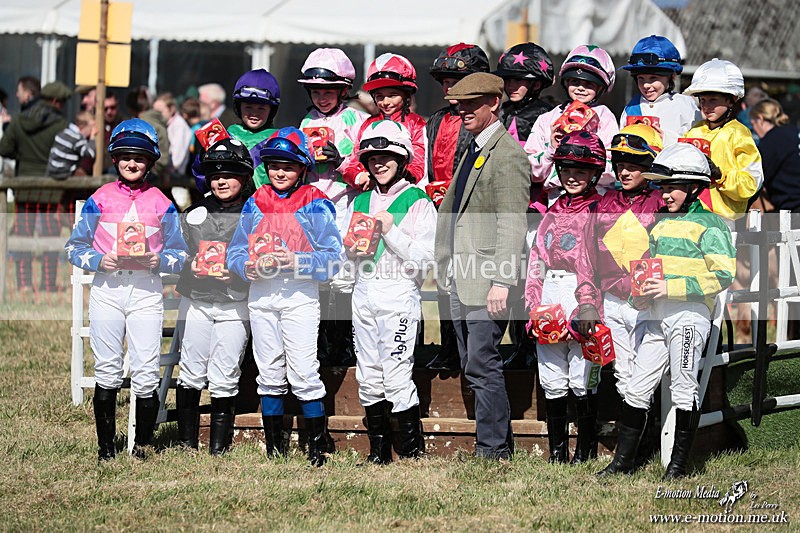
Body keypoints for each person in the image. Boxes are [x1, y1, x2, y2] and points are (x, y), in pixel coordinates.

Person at [597, 143, 736, 479]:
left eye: (671, 187)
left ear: (693, 188)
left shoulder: (712, 224)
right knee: (636, 388)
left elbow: (722, 274)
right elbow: (650, 274)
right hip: (657, 317)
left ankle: (677, 468)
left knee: (683, 388)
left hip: (690, 317)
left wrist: (670, 288)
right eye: (662, 187)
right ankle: (623, 462)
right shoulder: (658, 225)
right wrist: (639, 298)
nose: (665, 194)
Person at [64, 118, 188, 461]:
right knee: (107, 368)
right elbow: (74, 247)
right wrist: (99, 260)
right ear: (115, 159)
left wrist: (158, 261)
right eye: (125, 157)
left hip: (146, 290)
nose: (132, 163)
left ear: (150, 162)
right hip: (108, 288)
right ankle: (106, 449)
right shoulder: (99, 198)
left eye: (140, 158)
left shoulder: (162, 202)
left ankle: (143, 446)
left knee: (146, 370)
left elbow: (180, 255)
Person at [227, 127, 342, 466]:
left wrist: (297, 261)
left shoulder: (315, 202)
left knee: (304, 370)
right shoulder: (255, 200)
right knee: (269, 371)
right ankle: (276, 447)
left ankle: (317, 445)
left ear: (303, 168)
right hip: (261, 296)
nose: (280, 171)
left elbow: (334, 259)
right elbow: (235, 249)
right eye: (275, 164)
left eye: (288, 166)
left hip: (299, 296)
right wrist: (243, 267)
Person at [434, 72, 530, 460]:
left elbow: (512, 223)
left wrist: (501, 282)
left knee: (481, 363)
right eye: (459, 103)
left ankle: (493, 449)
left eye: (472, 103)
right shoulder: (476, 147)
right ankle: (492, 444)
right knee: (474, 362)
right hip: (463, 275)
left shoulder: (507, 155)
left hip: (485, 280)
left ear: (495, 102)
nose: (462, 110)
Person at [344, 120, 436, 463]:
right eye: (372, 157)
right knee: (368, 374)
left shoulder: (418, 201)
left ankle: (411, 453)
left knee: (397, 374)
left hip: (398, 295)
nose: (379, 163)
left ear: (402, 159)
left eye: (386, 156)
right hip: (363, 293)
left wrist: (390, 231)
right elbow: (347, 256)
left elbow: (425, 259)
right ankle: (378, 453)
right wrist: (349, 256)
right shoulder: (361, 200)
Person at [573, 124, 665, 464]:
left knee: (645, 378)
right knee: (625, 378)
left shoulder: (662, 202)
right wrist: (586, 303)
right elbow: (586, 259)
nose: (625, 170)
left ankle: (650, 445)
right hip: (612, 302)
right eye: (621, 162)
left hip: (650, 304)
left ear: (651, 164)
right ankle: (635, 455)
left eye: (634, 163)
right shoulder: (602, 204)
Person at [524, 131, 605, 464]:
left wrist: (589, 304)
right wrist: (532, 304)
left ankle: (585, 451)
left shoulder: (600, 210)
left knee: (583, 376)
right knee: (552, 374)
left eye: (582, 171)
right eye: (567, 169)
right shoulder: (552, 210)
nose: (573, 177)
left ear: (595, 175)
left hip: (583, 294)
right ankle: (558, 452)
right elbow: (536, 259)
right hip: (551, 292)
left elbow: (594, 262)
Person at [175, 138, 254, 455]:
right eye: (215, 174)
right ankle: (185, 443)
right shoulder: (193, 214)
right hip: (198, 302)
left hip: (235, 303)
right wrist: (189, 265)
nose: (222, 180)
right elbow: (174, 256)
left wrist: (239, 271)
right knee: (190, 369)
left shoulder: (255, 212)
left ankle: (219, 447)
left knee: (225, 373)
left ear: (246, 177)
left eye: (231, 173)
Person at [297, 48, 369, 367]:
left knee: (344, 277)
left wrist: (339, 160)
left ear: (343, 89)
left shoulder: (355, 118)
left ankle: (345, 343)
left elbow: (366, 163)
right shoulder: (306, 119)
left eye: (328, 91)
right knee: (318, 275)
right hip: (314, 204)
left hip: (345, 201)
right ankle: (320, 343)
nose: (322, 97)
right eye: (316, 91)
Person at [424, 42, 491, 372]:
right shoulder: (435, 119)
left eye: (457, 79)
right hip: (439, 211)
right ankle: (449, 346)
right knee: (443, 280)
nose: (449, 86)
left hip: (474, 213)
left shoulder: (485, 119)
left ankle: (486, 348)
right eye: (445, 80)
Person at [524, 44, 619, 205]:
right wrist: (551, 149)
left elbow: (613, 167)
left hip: (593, 200)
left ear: (601, 88)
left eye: (589, 84)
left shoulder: (605, 117)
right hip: (555, 199)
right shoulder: (547, 118)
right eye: (575, 82)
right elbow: (529, 170)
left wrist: (585, 151)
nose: (581, 88)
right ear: (566, 83)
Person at [0, 80, 71, 291]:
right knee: (51, 237)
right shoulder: (61, 124)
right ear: (57, 102)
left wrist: (23, 156)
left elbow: (4, 149)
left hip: (24, 187)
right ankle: (48, 284)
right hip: (51, 190)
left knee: (22, 235)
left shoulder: (20, 119)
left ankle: (24, 284)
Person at [682, 58, 763, 222]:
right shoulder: (693, 131)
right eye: (702, 100)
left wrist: (720, 175)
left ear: (732, 99)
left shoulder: (739, 133)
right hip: (690, 214)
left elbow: (752, 183)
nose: (706, 106)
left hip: (722, 219)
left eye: (713, 100)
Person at [340, 53, 428, 190]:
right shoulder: (368, 124)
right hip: (373, 193)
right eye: (379, 96)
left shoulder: (417, 124)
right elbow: (354, 162)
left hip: (405, 193)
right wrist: (358, 177)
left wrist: (396, 178)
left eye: (392, 95)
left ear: (407, 94)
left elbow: (418, 165)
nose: (386, 102)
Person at [619, 35, 701, 145]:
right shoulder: (631, 107)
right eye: (640, 78)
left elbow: (698, 141)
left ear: (672, 77)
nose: (646, 85)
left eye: (653, 78)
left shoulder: (685, 105)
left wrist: (666, 139)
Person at [227, 69, 281, 189]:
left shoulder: (279, 138)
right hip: (233, 204)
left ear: (271, 111)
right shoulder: (228, 134)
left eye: (261, 108)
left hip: (264, 204)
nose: (254, 114)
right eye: (248, 107)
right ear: (238, 107)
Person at [494, 42, 555, 145]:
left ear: (536, 85)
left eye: (518, 80)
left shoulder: (548, 115)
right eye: (507, 79)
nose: (510, 86)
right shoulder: (499, 111)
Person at [750, 98, 800, 213]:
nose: (755, 130)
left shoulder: (769, 143)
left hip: (793, 207)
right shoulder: (794, 132)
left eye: (753, 124)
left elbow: (756, 180)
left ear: (760, 119)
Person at [126, 86, 171, 182]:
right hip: (157, 168)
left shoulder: (141, 125)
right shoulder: (158, 121)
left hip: (149, 170)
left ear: (131, 109)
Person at [46, 110, 97, 179]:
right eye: (92, 127)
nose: (93, 130)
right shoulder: (77, 138)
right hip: (63, 173)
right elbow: (91, 153)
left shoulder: (65, 132)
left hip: (51, 171)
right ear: (82, 126)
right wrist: (93, 137)